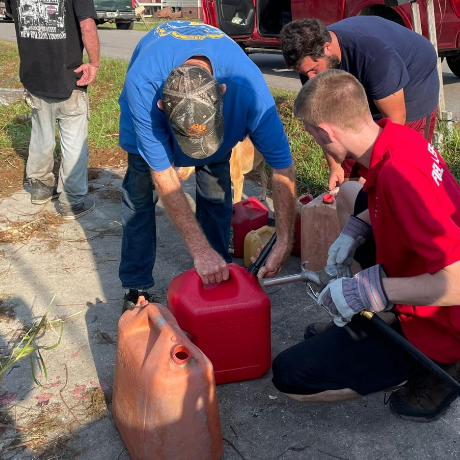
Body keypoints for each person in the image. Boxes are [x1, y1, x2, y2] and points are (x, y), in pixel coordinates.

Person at [272, 69, 460, 423]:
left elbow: (457, 282)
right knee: (349, 193)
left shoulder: (400, 178)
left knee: (291, 377)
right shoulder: (398, 139)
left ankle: (438, 365)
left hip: (446, 314)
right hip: (423, 265)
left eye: (314, 136)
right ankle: (379, 315)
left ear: (325, 131)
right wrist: (356, 228)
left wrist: (371, 289)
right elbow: (379, 193)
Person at [118, 21, 296, 311]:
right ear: (163, 106)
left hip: (224, 121)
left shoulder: (249, 91)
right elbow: (163, 176)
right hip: (147, 107)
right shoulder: (145, 87)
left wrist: (285, 240)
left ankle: (218, 267)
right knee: (139, 196)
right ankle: (136, 283)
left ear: (222, 93)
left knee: (216, 190)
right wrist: (197, 250)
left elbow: (283, 168)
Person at [281, 16, 439, 189]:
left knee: (402, 165)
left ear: (327, 48)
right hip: (372, 76)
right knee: (350, 141)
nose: (311, 78)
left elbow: (396, 122)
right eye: (304, 73)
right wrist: (335, 166)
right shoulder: (310, 64)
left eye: (313, 70)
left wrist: (373, 172)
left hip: (413, 79)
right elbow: (324, 120)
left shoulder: (375, 56)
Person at [6, 0, 100, 219]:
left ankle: (40, 188)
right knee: (74, 142)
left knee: (41, 134)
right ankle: (72, 202)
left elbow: (17, 17)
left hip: (34, 77)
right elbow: (87, 25)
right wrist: (94, 63)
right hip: (70, 78)